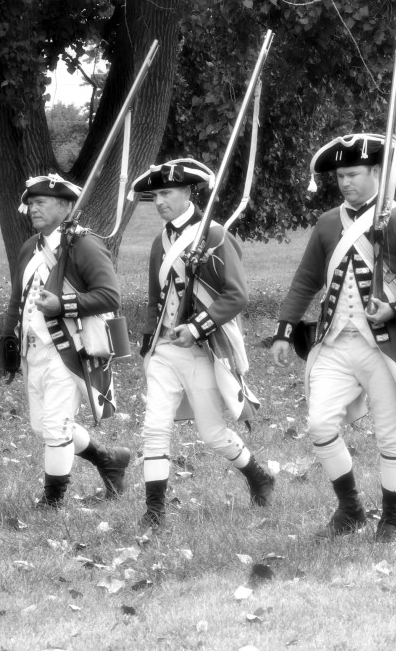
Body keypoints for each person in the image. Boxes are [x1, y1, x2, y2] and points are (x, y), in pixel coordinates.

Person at [269, 134, 396, 542]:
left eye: (353, 174)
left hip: (383, 345)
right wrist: (283, 330)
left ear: (376, 172)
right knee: (319, 425)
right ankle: (350, 509)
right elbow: (306, 281)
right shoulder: (328, 223)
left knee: (390, 433)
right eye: (340, 176)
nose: (345, 182)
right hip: (335, 341)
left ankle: (392, 519)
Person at [133, 158, 274, 529]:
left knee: (213, 435)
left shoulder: (214, 234)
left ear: (187, 192)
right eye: (155, 195)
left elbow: (237, 296)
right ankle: (154, 511)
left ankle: (259, 476)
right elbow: (155, 299)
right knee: (154, 426)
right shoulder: (160, 241)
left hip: (201, 349)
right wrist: (150, 343)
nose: (159, 201)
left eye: (166, 193)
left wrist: (196, 327)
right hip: (164, 350)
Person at [0, 174, 130, 508]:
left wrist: (64, 305)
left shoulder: (84, 245)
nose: (33, 208)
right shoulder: (30, 246)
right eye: (31, 203)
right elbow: (17, 299)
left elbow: (109, 296)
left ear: (65, 206)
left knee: (56, 428)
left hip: (68, 349)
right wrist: (7, 341)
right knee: (42, 428)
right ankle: (107, 459)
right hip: (32, 351)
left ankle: (52, 502)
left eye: (41, 203)